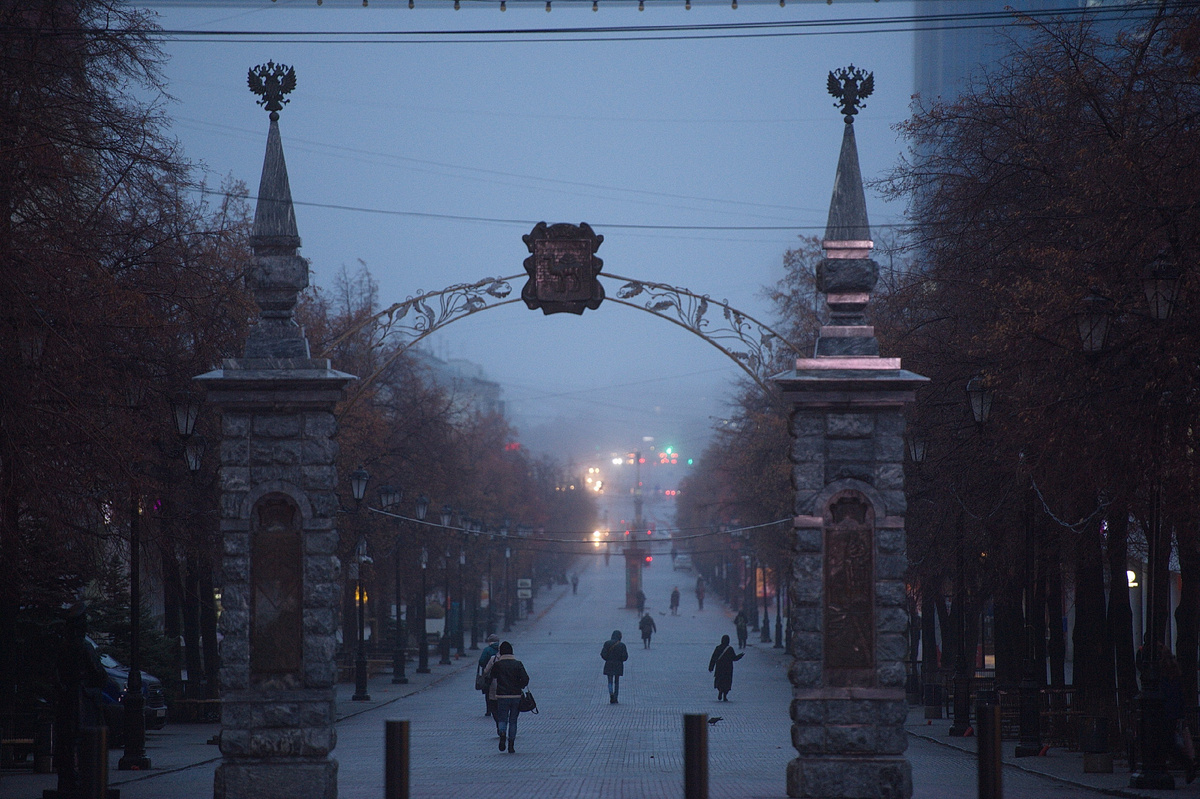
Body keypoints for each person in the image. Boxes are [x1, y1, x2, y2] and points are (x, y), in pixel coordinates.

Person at [54, 604, 107, 795]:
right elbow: (99, 674)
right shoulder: (84, 648)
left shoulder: (62, 646)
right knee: (83, 740)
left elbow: (55, 674)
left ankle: (66, 781)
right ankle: (80, 780)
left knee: (67, 741)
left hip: (66, 700)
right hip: (82, 700)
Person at [487, 641, 529, 753]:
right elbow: (525, 679)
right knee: (513, 720)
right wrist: (520, 685)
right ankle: (511, 744)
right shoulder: (518, 664)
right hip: (515, 695)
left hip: (502, 695)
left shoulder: (498, 665)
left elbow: (492, 676)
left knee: (502, 718)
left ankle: (502, 733)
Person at [708, 634, 745, 701]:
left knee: (720, 680)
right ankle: (725, 696)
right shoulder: (730, 649)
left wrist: (711, 667)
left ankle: (720, 691)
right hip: (728, 669)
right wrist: (740, 656)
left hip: (719, 668)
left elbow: (713, 658)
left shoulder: (718, 648)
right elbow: (734, 658)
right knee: (727, 682)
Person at [601, 630, 629, 703]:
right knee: (617, 682)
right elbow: (625, 657)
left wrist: (608, 659)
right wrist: (620, 660)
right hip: (618, 665)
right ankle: (616, 697)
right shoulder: (622, 645)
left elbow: (603, 654)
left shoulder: (607, 643)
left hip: (609, 664)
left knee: (610, 681)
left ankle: (611, 694)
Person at [477, 633, 500, 717]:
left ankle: (489, 710)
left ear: (489, 641)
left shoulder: (487, 650)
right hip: (500, 674)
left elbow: (481, 661)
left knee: (488, 692)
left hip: (489, 675)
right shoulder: (501, 649)